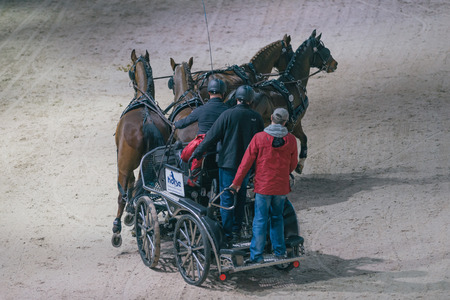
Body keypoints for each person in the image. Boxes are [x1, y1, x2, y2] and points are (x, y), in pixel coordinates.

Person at [191, 85, 264, 244]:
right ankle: (237, 230)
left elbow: (211, 137)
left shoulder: (227, 114)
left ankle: (228, 233)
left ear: (237, 98)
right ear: (251, 100)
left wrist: (197, 153)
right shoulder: (256, 117)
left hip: (228, 164)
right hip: (247, 166)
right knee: (241, 196)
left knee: (226, 198)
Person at [230, 107, 298, 263]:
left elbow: (245, 163)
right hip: (280, 187)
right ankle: (279, 252)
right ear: (285, 122)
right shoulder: (292, 140)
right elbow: (292, 164)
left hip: (263, 187)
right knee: (277, 218)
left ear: (272, 118)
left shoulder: (259, 138)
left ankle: (257, 256)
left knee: (260, 220)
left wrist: (236, 183)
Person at [174, 78, 229, 186]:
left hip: (203, 148)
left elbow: (185, 122)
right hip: (221, 150)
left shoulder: (201, 109)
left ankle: (184, 168)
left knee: (182, 152)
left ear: (209, 93)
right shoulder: (228, 110)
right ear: (223, 94)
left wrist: (175, 124)